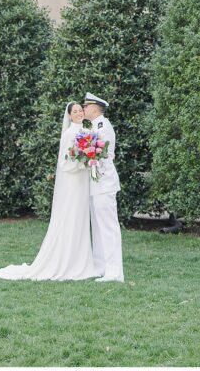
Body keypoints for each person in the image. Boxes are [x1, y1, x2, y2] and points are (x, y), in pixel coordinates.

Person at [0, 102, 97, 281]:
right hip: (73, 183)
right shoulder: (69, 134)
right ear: (69, 116)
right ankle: (66, 261)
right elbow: (64, 163)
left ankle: (81, 261)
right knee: (71, 218)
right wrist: (83, 163)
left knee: (80, 219)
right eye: (75, 111)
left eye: (80, 110)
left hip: (83, 182)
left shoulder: (87, 132)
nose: (79, 113)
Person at [83, 92, 124, 282]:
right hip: (95, 182)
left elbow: (103, 154)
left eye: (86, 106)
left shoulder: (102, 126)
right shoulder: (92, 126)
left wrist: (88, 157)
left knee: (108, 227)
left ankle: (114, 272)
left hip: (104, 182)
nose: (84, 109)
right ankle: (101, 267)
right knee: (98, 227)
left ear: (94, 108)